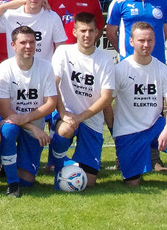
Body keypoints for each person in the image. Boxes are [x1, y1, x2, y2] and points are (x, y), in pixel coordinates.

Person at [111, 23, 167, 197]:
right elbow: (106, 104)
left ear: (155, 41)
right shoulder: (120, 70)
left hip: (155, 127)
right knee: (132, 183)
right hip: (129, 132)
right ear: (131, 41)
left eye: (150, 40)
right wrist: (115, 131)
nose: (146, 45)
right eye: (141, 40)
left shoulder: (161, 69)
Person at [48, 12, 116, 188]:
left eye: (91, 31)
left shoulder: (105, 60)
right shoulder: (63, 52)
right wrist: (63, 113)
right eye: (83, 30)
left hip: (91, 120)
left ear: (97, 33)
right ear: (74, 32)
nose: (87, 35)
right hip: (66, 114)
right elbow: (53, 84)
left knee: (89, 182)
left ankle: (68, 163)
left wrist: (81, 117)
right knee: (65, 129)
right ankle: (57, 164)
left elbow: (107, 98)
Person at [0, 26, 58, 196]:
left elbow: (51, 103)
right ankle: (11, 183)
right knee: (9, 128)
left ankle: (8, 167)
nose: (28, 46)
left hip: (31, 122)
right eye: (23, 42)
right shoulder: (4, 68)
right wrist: (32, 127)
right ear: (13, 45)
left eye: (31, 42)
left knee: (28, 181)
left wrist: (27, 120)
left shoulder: (46, 67)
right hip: (8, 121)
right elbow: (5, 111)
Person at [0, 0, 67, 67]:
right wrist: (3, 7)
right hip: (16, 73)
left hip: (42, 73)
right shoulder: (10, 16)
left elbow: (60, 49)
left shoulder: (53, 17)